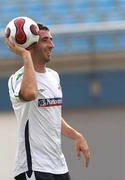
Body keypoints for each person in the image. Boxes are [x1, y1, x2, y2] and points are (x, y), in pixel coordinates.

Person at [5, 23, 91, 180]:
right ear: (31, 44)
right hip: (33, 167)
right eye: (45, 40)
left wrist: (76, 135)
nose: (52, 45)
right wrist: (25, 55)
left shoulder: (53, 76)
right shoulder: (16, 79)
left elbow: (52, 116)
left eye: (51, 39)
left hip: (58, 166)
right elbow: (30, 93)